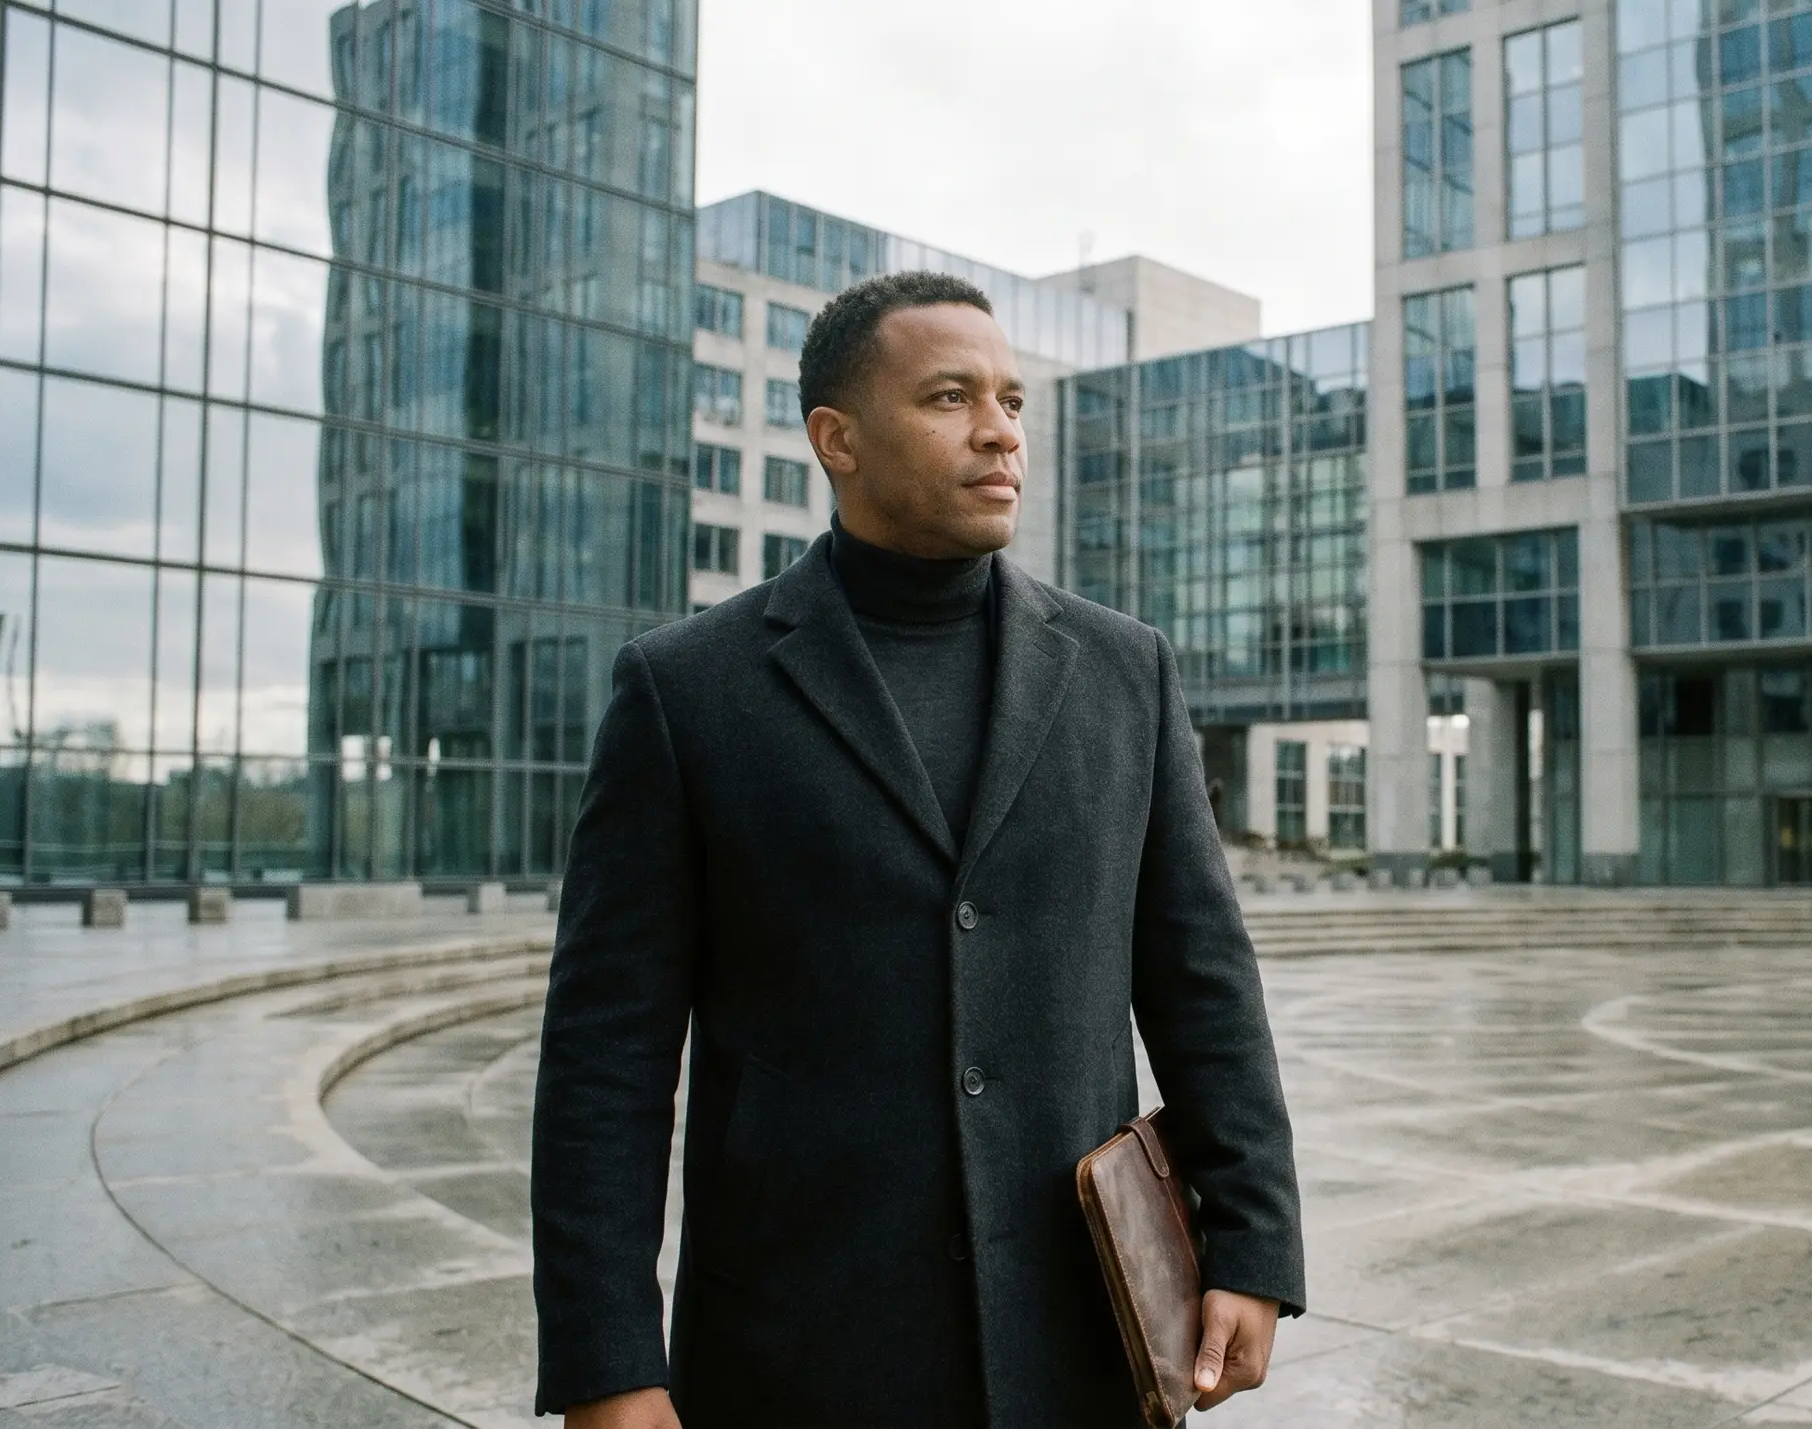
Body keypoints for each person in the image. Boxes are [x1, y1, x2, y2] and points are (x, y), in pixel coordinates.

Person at [529, 272, 1304, 1428]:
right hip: (795, 1351)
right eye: (951, 397)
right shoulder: (688, 690)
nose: (999, 431)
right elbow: (607, 1058)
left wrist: (1252, 1240)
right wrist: (607, 1362)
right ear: (835, 438)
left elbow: (1203, 979)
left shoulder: (1121, 670)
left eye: (1012, 400)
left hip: (1078, 1344)